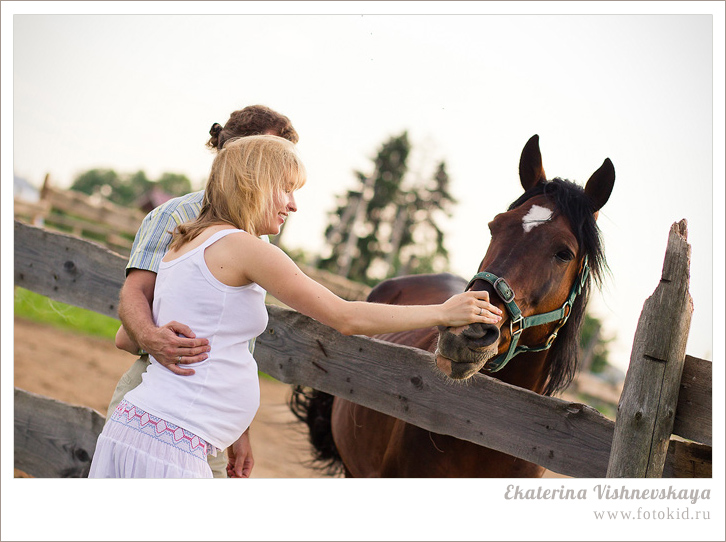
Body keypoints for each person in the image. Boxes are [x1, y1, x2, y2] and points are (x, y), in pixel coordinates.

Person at [89, 135, 503, 478]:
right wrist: (443, 312)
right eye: (285, 189)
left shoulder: (188, 240)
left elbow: (138, 335)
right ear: (253, 184)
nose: (293, 204)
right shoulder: (243, 248)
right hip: (170, 446)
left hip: (147, 429)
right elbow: (347, 316)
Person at [105, 105, 299, 479]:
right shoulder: (176, 215)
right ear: (240, 156)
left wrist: (240, 431)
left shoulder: (254, 234)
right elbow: (135, 293)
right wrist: (149, 337)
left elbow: (231, 342)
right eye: (270, 156)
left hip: (209, 420)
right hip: (165, 397)